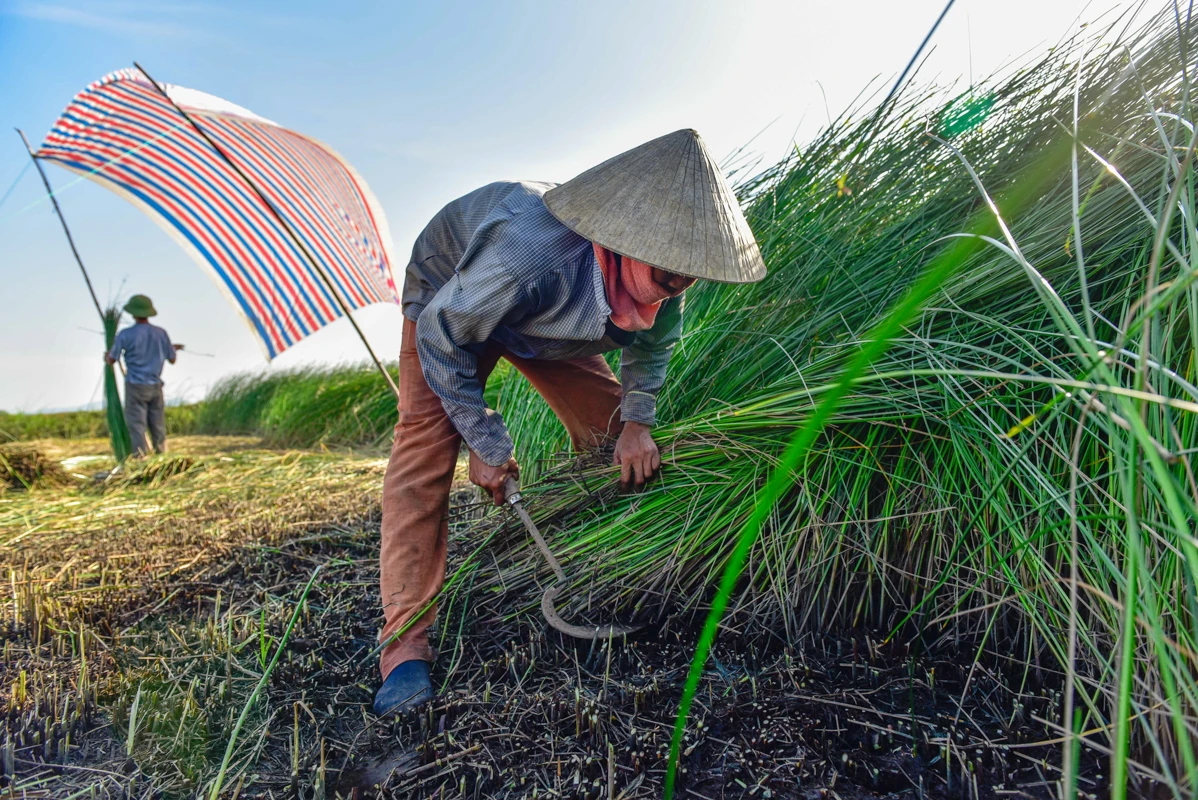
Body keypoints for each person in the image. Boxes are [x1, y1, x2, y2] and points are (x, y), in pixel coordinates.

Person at [373, 129, 767, 717]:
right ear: (622, 240)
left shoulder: (667, 266)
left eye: (686, 278)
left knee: (615, 438)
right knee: (424, 456)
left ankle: (602, 562)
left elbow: (650, 350)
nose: (677, 288)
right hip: (450, 304)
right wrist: (483, 439)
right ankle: (404, 649)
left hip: (550, 321)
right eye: (666, 277)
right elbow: (441, 331)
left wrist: (637, 423)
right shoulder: (526, 253)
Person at [104, 294, 183, 456]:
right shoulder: (161, 334)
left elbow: (112, 359)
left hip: (135, 386)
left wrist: (107, 355)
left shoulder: (125, 335)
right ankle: (162, 456)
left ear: (133, 313)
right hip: (155, 386)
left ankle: (140, 459)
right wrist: (171, 348)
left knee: (137, 425)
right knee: (158, 425)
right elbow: (172, 358)